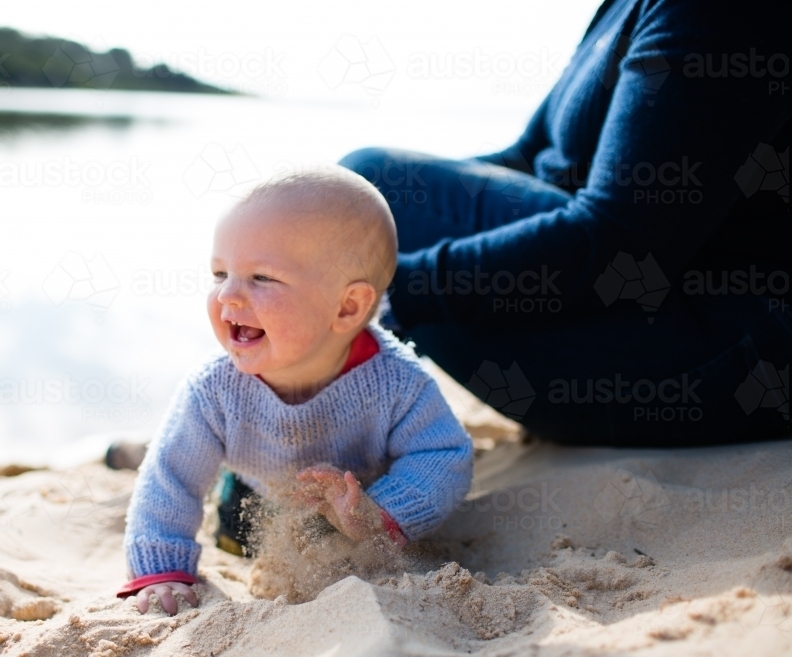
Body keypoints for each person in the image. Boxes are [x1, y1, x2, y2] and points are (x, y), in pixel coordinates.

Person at [340, 0, 790, 446]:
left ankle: (310, 428)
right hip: (629, 294)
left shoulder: (720, 12)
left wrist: (392, 291)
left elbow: (622, 242)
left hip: (720, 351)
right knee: (368, 192)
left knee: (372, 203)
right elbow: (528, 157)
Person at [116, 169, 474, 615]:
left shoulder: (395, 381)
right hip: (255, 496)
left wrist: (378, 512)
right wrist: (163, 569)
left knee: (344, 543)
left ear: (347, 306)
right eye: (220, 273)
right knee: (216, 507)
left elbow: (444, 453)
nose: (228, 295)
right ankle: (134, 450)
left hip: (357, 499)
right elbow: (171, 478)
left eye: (261, 278)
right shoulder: (214, 388)